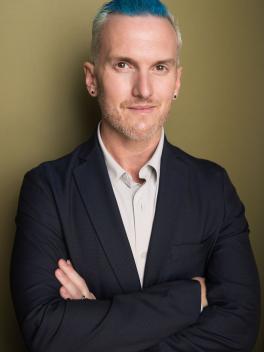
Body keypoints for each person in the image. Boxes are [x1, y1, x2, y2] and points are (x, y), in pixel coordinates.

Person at [10, 1, 260, 351]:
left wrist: (95, 327)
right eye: (124, 64)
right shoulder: (47, 188)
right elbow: (45, 332)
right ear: (91, 78)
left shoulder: (213, 186)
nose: (143, 89)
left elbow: (240, 326)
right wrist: (191, 298)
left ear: (177, 80)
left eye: (159, 67)